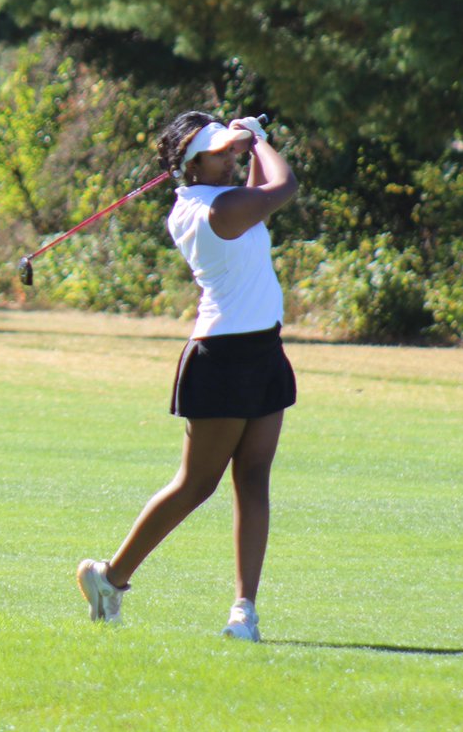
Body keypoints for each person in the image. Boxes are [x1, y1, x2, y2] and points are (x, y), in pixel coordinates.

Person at [76, 111, 299, 641]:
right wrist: (261, 140)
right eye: (220, 151)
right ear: (193, 162)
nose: (231, 156)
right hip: (221, 358)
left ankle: (244, 611)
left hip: (264, 349)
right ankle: (110, 577)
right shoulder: (211, 209)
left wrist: (242, 149)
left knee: (253, 480)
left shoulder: (217, 201)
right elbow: (283, 186)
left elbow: (257, 199)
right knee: (196, 485)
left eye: (232, 150)